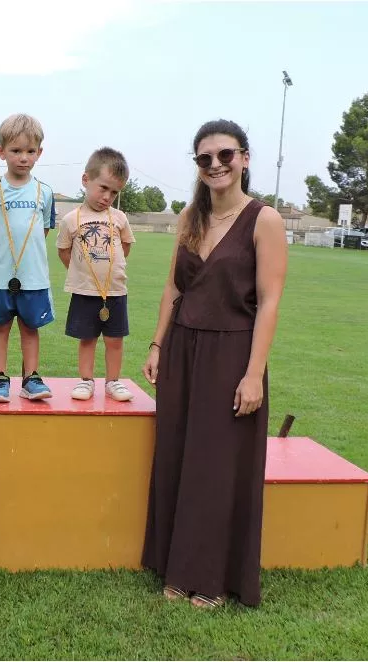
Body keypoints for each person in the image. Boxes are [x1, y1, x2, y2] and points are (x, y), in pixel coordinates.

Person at [141, 119, 288, 608]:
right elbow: (173, 288)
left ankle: (209, 576)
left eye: (225, 155)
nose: (216, 165)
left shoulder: (263, 219)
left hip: (231, 354)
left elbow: (268, 301)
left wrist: (252, 374)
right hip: (182, 350)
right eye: (205, 158)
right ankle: (175, 566)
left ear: (244, 157)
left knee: (218, 466)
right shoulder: (190, 217)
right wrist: (158, 345)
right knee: (178, 456)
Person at [0, 113, 56, 402]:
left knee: (31, 328)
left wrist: (23, 259)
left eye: (30, 151)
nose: (23, 158)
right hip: (0, 277)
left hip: (33, 277)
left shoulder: (44, 192)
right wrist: (0, 255)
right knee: (0, 326)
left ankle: (31, 378)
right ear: (1, 152)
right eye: (16, 151)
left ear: (39, 153)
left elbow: (43, 230)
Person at [56, 147, 136, 401]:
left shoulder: (120, 218)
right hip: (85, 291)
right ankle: (86, 380)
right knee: (87, 339)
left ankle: (113, 381)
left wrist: (110, 270)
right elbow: (64, 251)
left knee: (115, 340)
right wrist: (83, 273)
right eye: (103, 188)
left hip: (115, 291)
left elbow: (125, 247)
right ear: (86, 180)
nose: (107, 197)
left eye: (114, 192)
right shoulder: (71, 219)